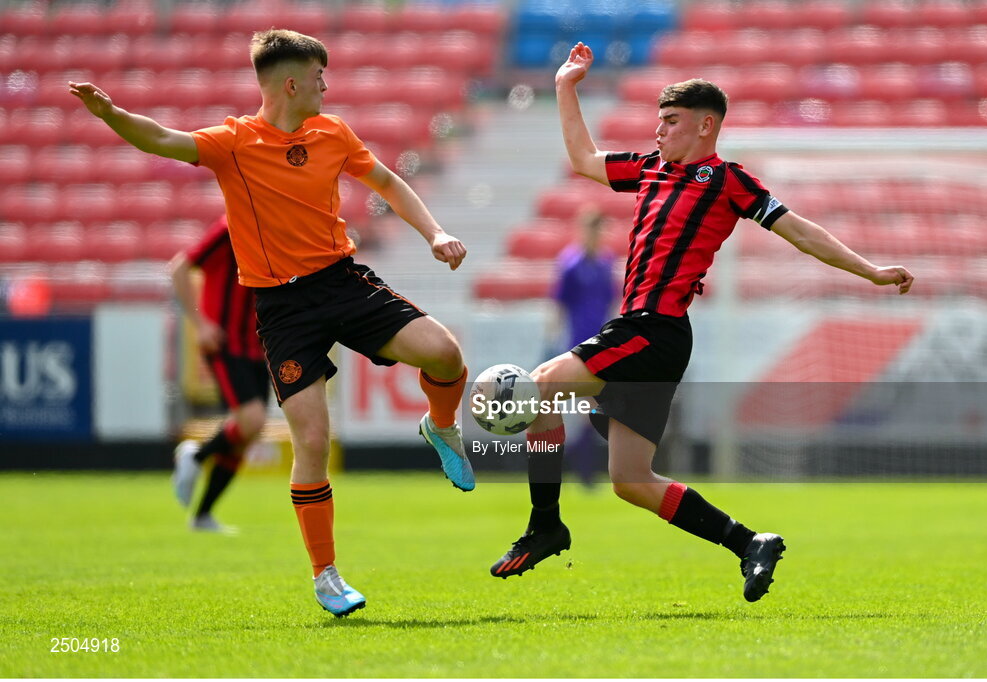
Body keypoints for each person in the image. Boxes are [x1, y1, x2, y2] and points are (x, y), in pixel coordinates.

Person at [70, 29, 474, 617]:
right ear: (292, 83)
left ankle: (440, 426)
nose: (326, 86)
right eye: (319, 77)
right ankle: (326, 575)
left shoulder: (333, 133)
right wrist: (111, 114)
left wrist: (435, 232)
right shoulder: (233, 142)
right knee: (311, 440)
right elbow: (160, 138)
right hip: (282, 310)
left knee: (445, 354)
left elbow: (386, 181)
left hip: (342, 281)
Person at [490, 43, 914, 602]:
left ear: (705, 125)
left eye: (671, 121)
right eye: (659, 121)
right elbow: (583, 160)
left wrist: (871, 271)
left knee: (540, 387)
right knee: (632, 482)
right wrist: (566, 86)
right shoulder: (648, 168)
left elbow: (801, 231)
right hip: (649, 332)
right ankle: (749, 543)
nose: (659, 131)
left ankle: (546, 524)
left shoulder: (727, 180)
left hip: (653, 327)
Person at [169, 214, 269, 534]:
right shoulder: (233, 227)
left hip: (257, 346)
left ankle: (202, 516)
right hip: (225, 341)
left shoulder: (281, 227)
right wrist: (200, 324)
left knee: (248, 432)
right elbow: (180, 267)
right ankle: (196, 456)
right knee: (250, 421)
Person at [551, 208, 616, 486]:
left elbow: (612, 301)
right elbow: (559, 304)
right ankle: (582, 467)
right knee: (583, 405)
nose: (595, 235)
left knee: (593, 406)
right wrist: (553, 338)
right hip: (577, 343)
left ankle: (583, 465)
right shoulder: (570, 263)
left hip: (600, 343)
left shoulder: (606, 264)